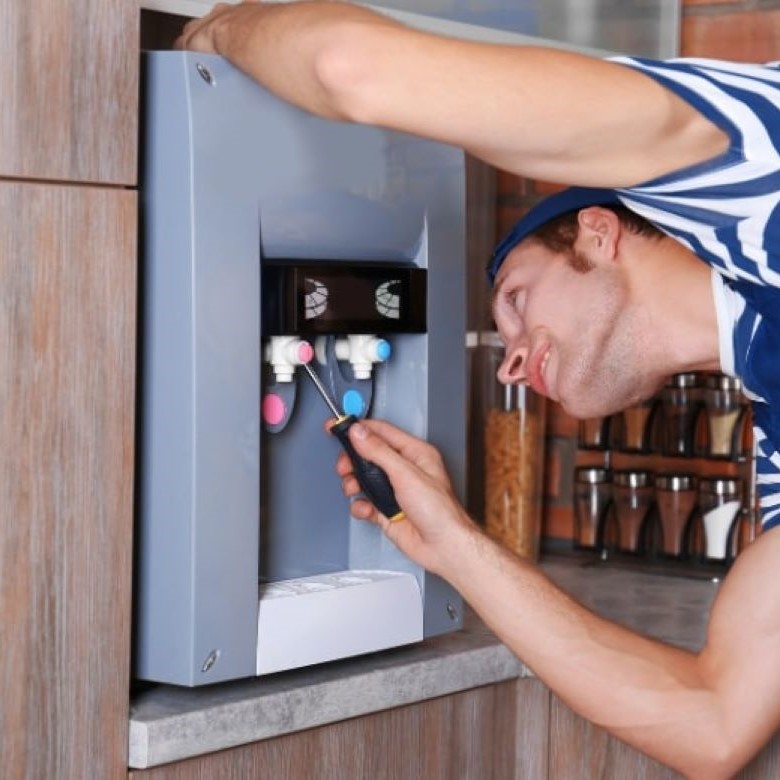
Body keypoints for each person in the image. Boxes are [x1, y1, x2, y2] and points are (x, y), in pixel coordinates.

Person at [176, 3, 780, 776]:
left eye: (519, 299)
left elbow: (351, 68)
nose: (509, 361)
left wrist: (218, 30)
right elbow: (711, 724)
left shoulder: (747, 167)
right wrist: (454, 546)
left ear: (599, 231)